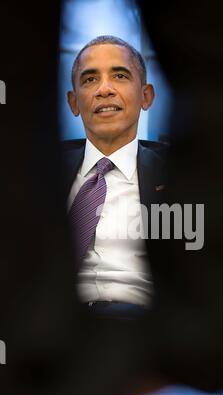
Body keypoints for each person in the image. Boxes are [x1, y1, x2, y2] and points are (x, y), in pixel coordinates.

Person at [63, 35, 168, 317]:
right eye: (89, 80)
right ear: (74, 103)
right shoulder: (41, 169)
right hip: (54, 332)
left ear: (146, 96)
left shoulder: (178, 172)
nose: (104, 90)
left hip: (146, 328)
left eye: (119, 76)